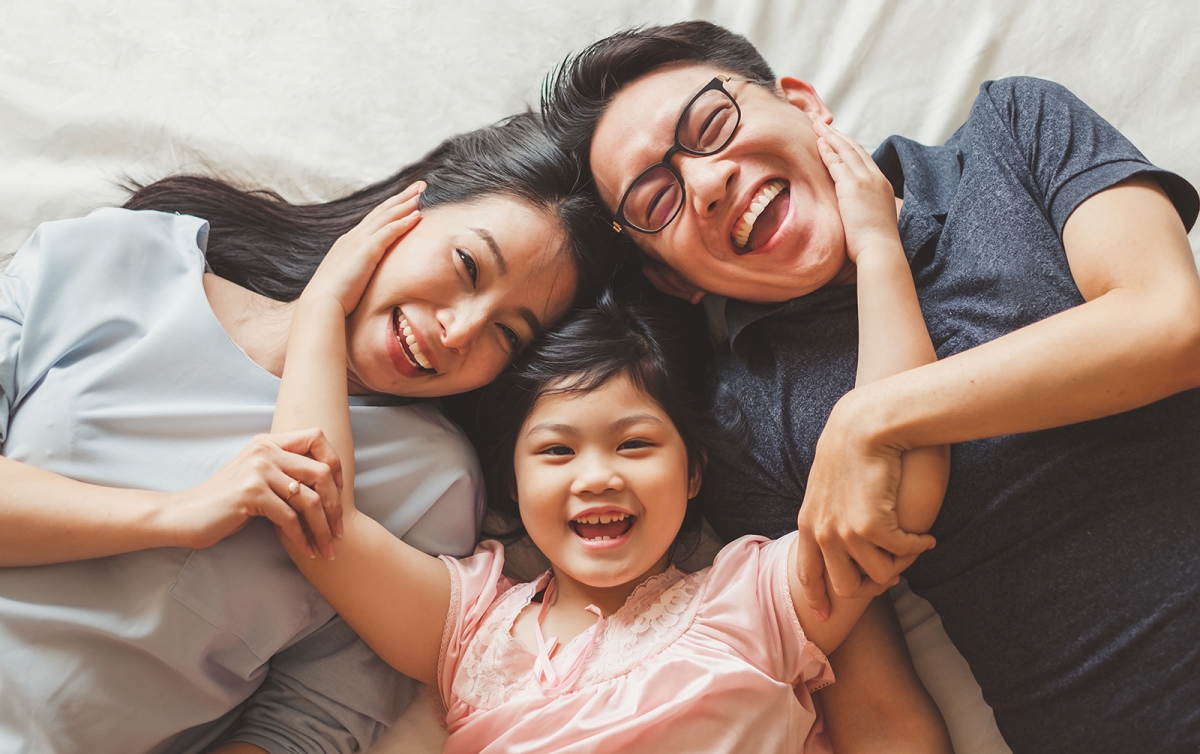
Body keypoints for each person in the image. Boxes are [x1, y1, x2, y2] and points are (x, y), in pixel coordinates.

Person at [539, 21, 1200, 754]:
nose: (706, 182)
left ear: (804, 105)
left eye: (710, 124)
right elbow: (881, 713)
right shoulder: (744, 424)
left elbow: (1170, 325)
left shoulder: (1014, 131)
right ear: (671, 278)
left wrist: (872, 419)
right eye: (655, 201)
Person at [258, 128, 953, 753]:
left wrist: (878, 251)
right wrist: (323, 305)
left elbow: (899, 482)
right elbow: (317, 511)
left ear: (693, 473)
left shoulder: (754, 601)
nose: (597, 477)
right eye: (557, 451)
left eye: (635, 446)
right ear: (510, 484)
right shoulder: (469, 628)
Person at [0, 113, 613, 754]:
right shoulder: (121, 257)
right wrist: (174, 516)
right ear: (409, 209)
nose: (459, 331)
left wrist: (322, 311)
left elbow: (309, 723)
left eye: (508, 334)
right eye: (467, 264)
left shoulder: (431, 482)